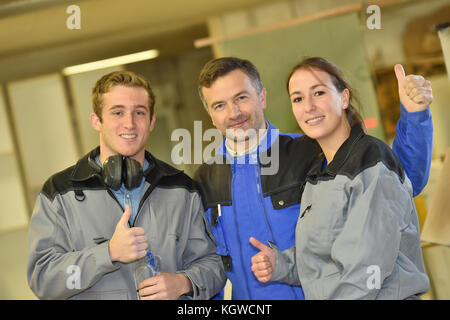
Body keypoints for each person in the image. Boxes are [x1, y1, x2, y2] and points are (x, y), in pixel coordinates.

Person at [194, 57, 433, 300]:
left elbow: (403, 180)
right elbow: (209, 263)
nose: (234, 113)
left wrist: (415, 117)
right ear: (211, 116)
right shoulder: (204, 181)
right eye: (219, 105)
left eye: (241, 98)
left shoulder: (313, 150)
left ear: (262, 97)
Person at [27, 70, 226, 300]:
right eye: (117, 112)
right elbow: (43, 279)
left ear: (151, 121)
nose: (129, 123)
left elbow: (214, 267)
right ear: (97, 121)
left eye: (139, 112)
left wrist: (184, 283)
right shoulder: (60, 192)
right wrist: (107, 253)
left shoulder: (182, 189)